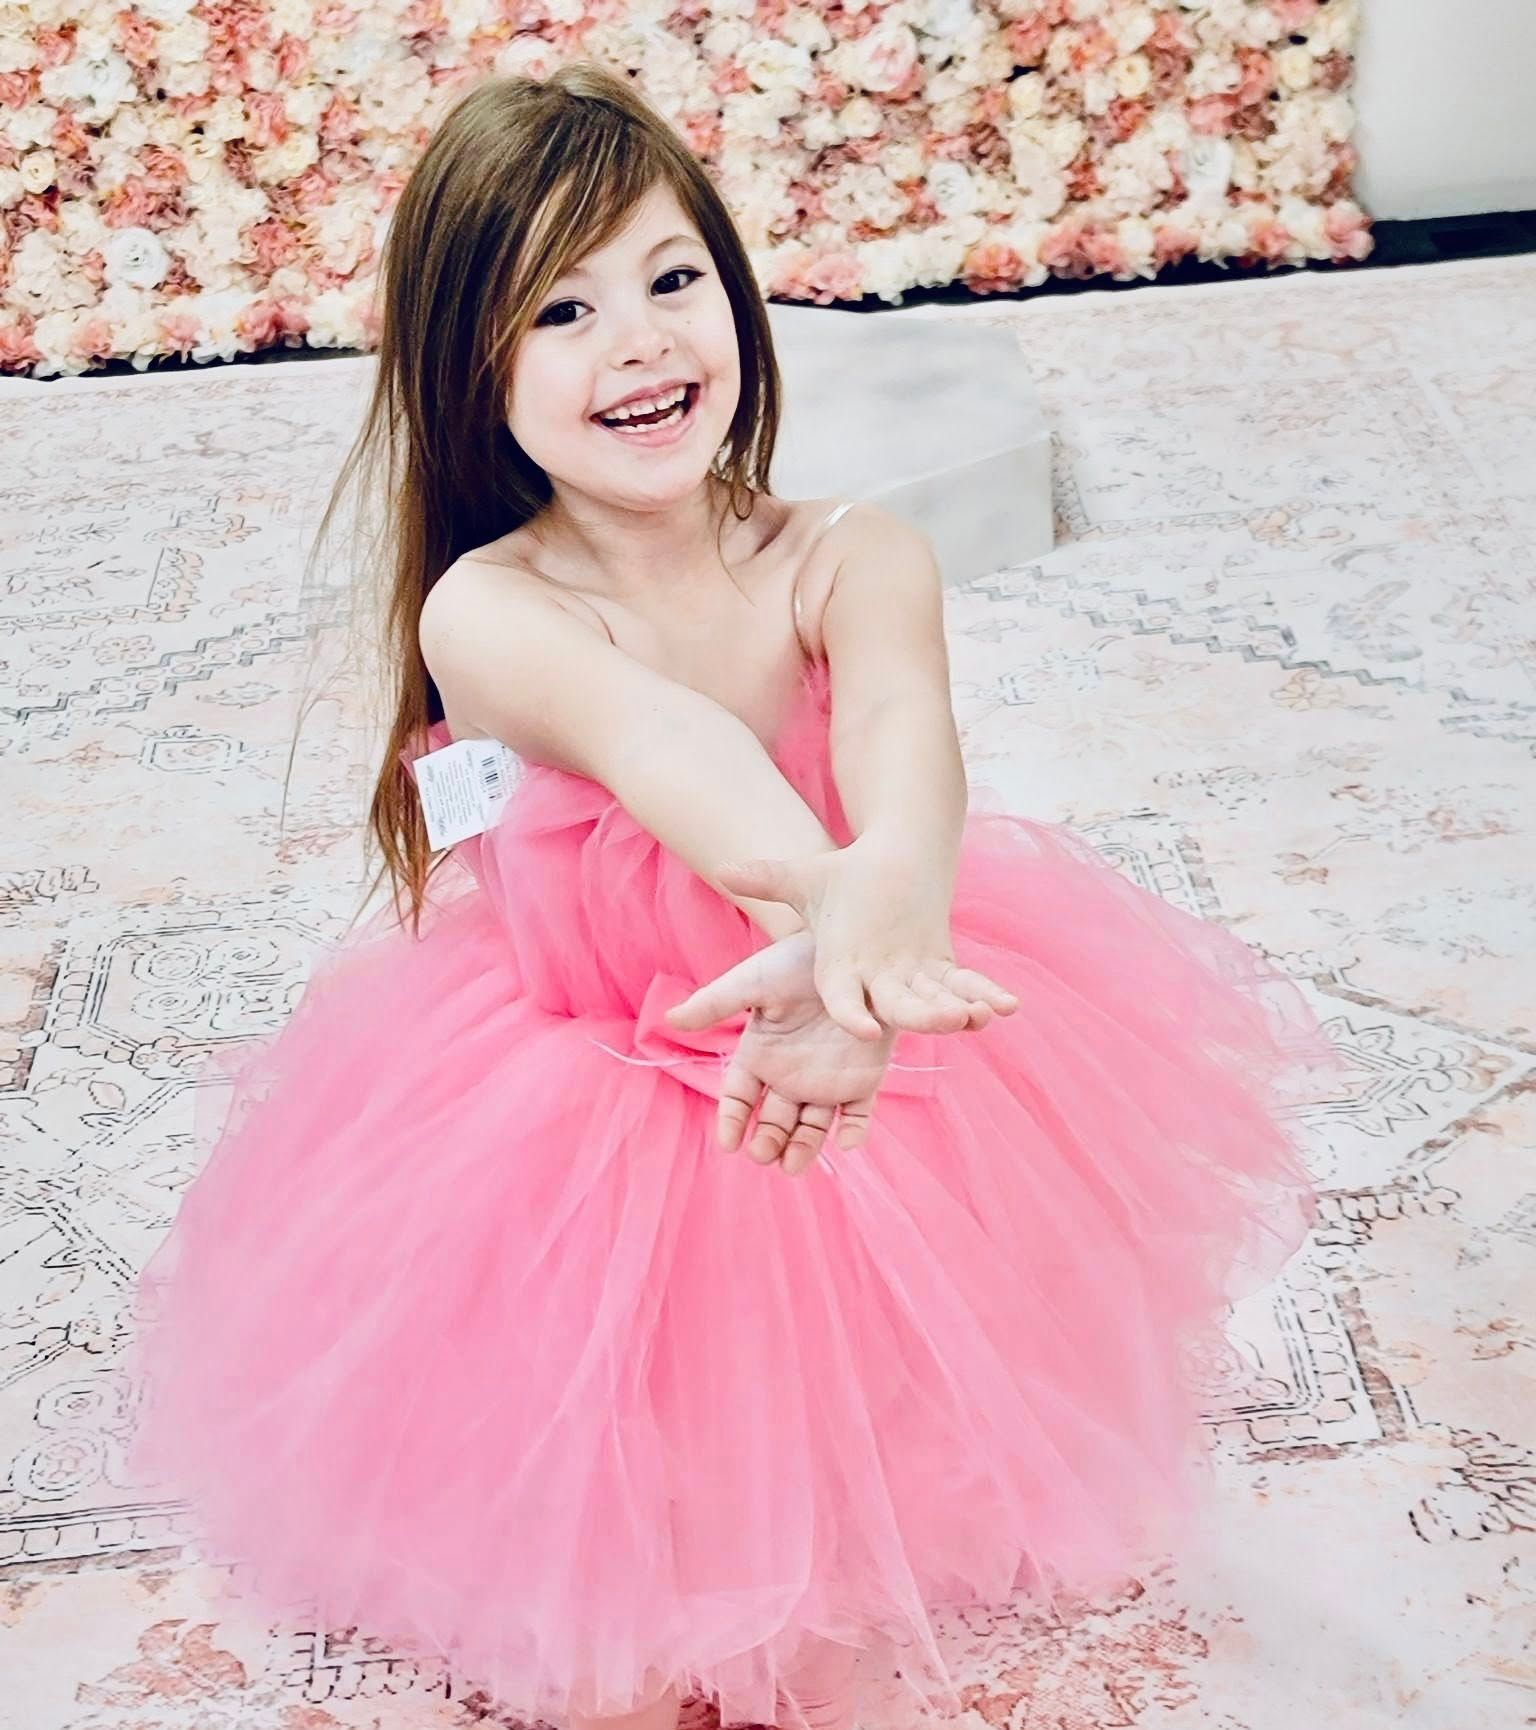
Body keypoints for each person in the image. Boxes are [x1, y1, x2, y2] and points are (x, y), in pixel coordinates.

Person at [128, 63, 1343, 1730]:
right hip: (600, 1073)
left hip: (844, 1023)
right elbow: (670, 748)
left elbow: (914, 750)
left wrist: (874, 939)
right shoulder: (487, 613)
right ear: (463, 370)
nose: (637, 341)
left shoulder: (854, 553)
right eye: (559, 308)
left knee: (867, 1374)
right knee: (615, 1549)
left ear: (738, 294)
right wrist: (825, 911)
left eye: (670, 278)